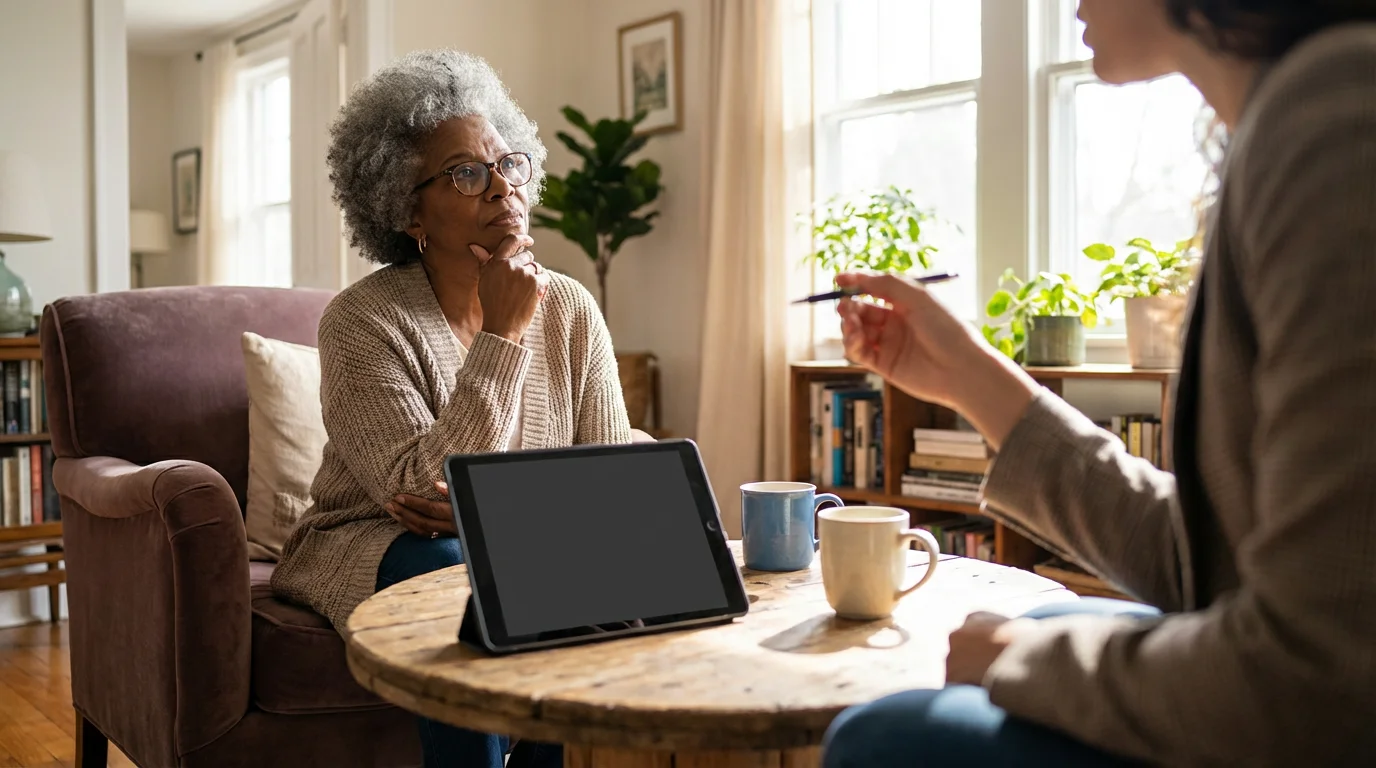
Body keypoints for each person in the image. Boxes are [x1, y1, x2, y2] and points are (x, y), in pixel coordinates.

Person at [821, 1, 1376, 765]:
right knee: (1047, 623)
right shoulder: (1292, 116)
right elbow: (1208, 566)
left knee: (879, 738)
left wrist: (1016, 658)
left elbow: (1316, 685)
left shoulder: (1334, 113)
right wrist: (969, 377)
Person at [270, 49, 633, 768]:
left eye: (510, 164)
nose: (502, 189)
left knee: (554, 565)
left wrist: (489, 511)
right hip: (371, 541)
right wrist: (502, 335)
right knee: (449, 561)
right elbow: (415, 488)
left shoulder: (571, 308)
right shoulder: (361, 321)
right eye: (468, 173)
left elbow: (614, 485)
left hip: (513, 543)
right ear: (408, 210)